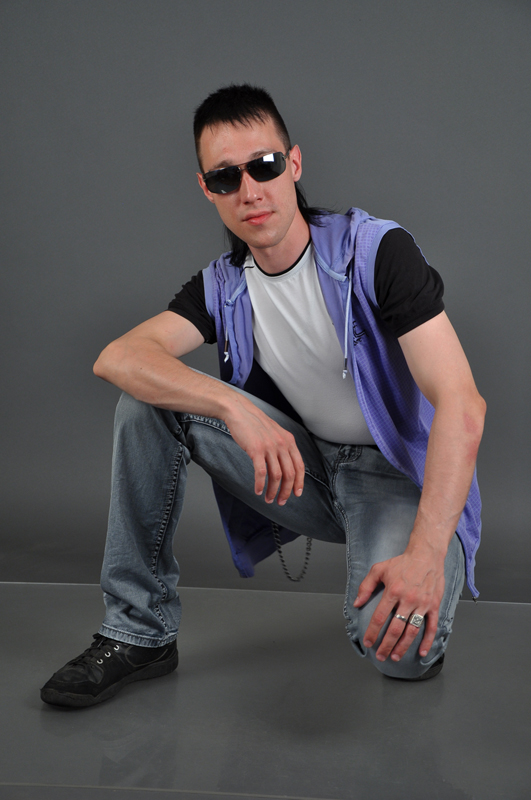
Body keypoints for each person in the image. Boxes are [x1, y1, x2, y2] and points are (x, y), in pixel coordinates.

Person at [41, 84, 485, 708]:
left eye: (265, 166)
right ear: (207, 189)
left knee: (402, 657)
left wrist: (428, 554)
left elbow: (463, 405)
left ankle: (419, 572)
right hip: (303, 467)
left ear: (294, 164)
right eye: (226, 177)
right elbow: (118, 357)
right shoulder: (223, 286)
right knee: (147, 400)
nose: (249, 191)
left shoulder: (375, 251)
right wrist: (233, 407)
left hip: (394, 477)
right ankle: (138, 632)